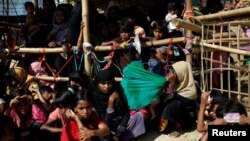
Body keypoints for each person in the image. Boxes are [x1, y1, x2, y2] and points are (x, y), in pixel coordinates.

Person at [159, 61, 197, 137]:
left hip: (186, 121)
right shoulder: (179, 86)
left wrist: (172, 83)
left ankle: (177, 128)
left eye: (174, 72)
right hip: (179, 116)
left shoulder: (190, 90)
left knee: (172, 105)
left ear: (182, 73)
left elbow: (169, 99)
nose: (171, 74)